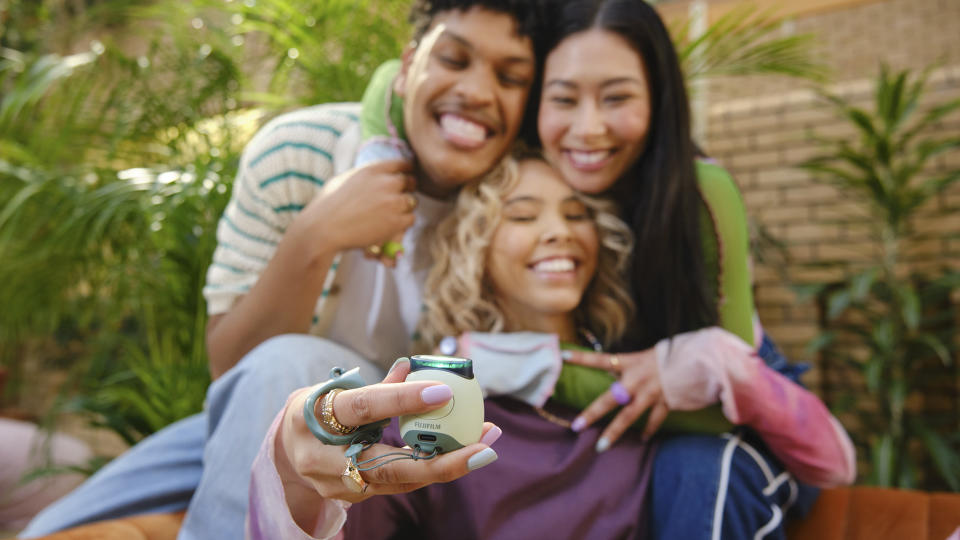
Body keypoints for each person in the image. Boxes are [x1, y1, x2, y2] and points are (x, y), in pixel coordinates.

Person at [18, 2, 541, 538]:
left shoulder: (530, 206)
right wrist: (313, 237)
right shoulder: (299, 152)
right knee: (50, 531)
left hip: (414, 440)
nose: (477, 91)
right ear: (407, 68)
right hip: (262, 412)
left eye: (510, 77)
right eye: (454, 59)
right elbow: (234, 367)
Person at [248, 152, 854, 539]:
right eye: (521, 214)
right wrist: (294, 476)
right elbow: (344, 513)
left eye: (576, 212)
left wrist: (726, 363)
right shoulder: (433, 406)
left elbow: (826, 462)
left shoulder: (652, 382)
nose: (558, 230)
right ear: (473, 245)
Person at [532, 0, 853, 537]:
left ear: (659, 100)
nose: (588, 128)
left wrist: (524, 366)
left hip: (739, 411)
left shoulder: (702, 193)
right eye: (563, 98)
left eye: (618, 97)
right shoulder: (520, 188)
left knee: (699, 470)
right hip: (619, 405)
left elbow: (721, 405)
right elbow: (394, 85)